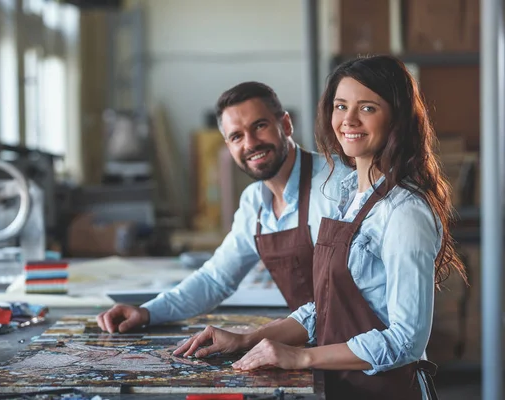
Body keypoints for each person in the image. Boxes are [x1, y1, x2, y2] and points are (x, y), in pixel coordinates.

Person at [173, 55, 468, 400]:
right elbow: (323, 309)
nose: (349, 120)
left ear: (397, 117)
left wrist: (301, 355)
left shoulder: (404, 211)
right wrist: (247, 339)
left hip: (386, 391)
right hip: (342, 385)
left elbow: (406, 340)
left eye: (368, 108)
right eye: (341, 106)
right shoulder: (348, 196)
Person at [97, 82, 352, 333]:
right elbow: (215, 279)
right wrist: (147, 312)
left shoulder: (339, 183)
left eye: (260, 126)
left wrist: (258, 337)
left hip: (361, 346)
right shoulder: (254, 203)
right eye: (236, 136)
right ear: (228, 146)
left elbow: (363, 293)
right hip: (313, 342)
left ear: (285, 125)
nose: (250, 144)